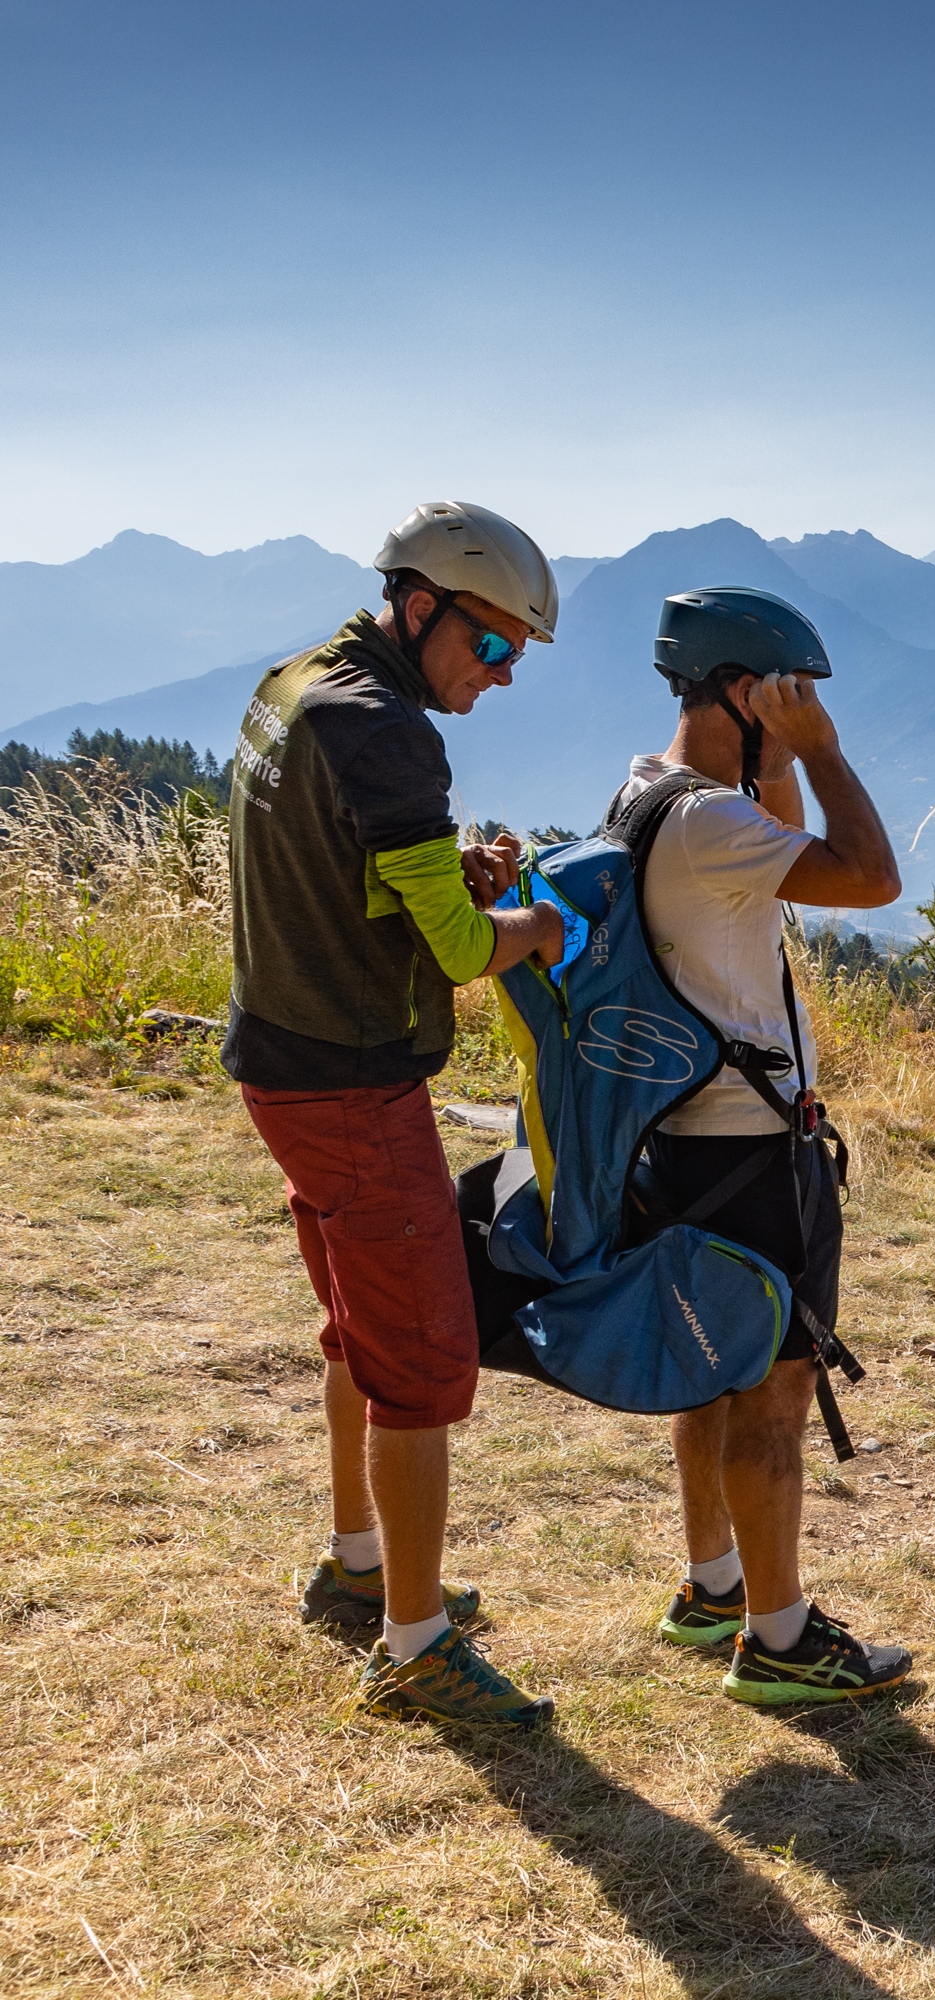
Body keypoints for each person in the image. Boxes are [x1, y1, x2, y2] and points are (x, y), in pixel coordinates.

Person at [233, 501, 567, 1725]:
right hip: (353, 1079)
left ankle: (360, 1560)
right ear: (420, 605)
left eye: (519, 654)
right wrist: (530, 925)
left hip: (280, 1062)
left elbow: (350, 871)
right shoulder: (386, 735)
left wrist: (440, 872)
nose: (505, 672)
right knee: (423, 1359)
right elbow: (470, 946)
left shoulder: (296, 684)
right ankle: (415, 1647)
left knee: (358, 1331)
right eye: (491, 645)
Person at [618, 586, 913, 1704]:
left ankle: (713, 1587)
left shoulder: (650, 792)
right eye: (789, 694)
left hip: (685, 1141)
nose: (806, 711)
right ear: (747, 690)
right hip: (753, 1148)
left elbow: (776, 838)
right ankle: (780, 1639)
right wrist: (825, 751)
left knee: (711, 1373)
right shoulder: (711, 825)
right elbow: (870, 876)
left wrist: (772, 750)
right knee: (774, 1393)